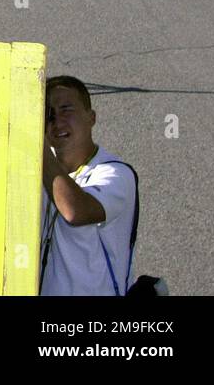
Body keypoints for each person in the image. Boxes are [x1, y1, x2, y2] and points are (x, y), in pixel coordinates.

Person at [40, 75, 137, 296]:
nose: (57, 122)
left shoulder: (116, 174)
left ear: (91, 118)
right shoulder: (39, 173)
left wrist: (39, 147)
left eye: (66, 110)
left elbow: (75, 212)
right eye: (48, 114)